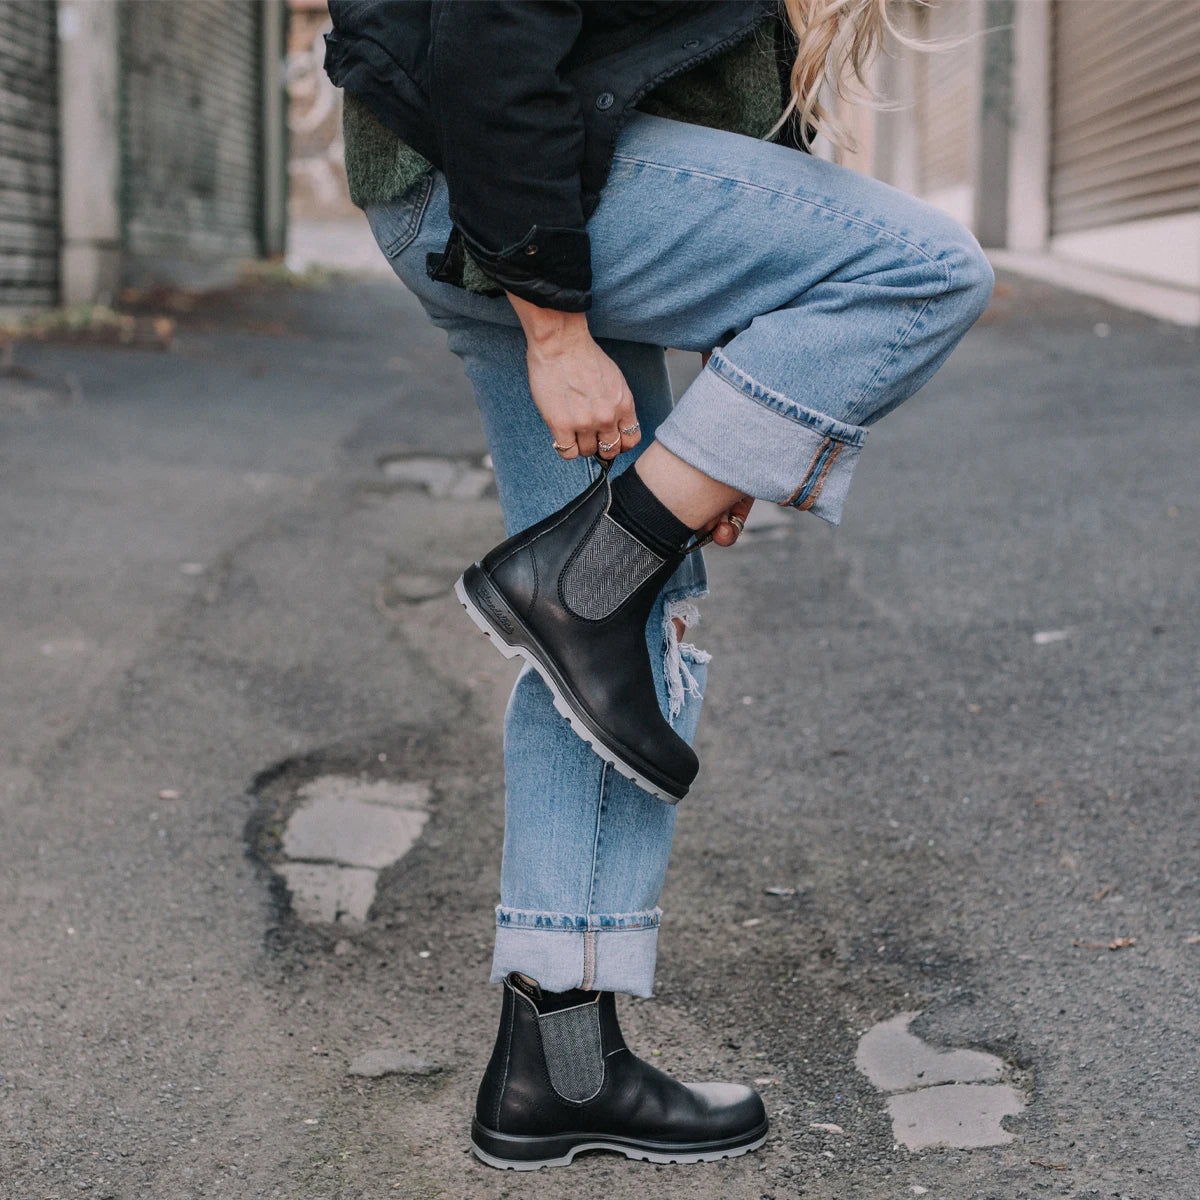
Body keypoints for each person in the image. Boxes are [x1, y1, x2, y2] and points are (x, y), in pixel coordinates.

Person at [325, 0, 994, 1171]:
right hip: (501, 183)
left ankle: (556, 1070)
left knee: (611, 637)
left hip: (526, 190)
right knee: (930, 271)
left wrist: (739, 436)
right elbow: (488, 38)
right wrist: (554, 332)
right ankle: (583, 578)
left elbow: (724, 143)